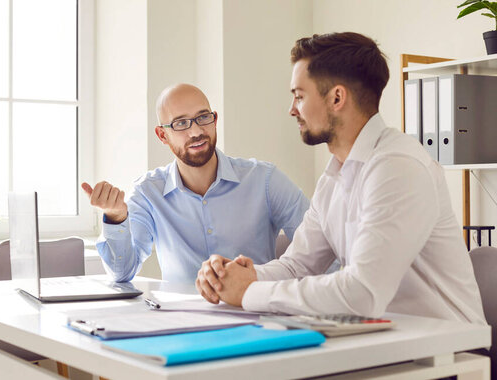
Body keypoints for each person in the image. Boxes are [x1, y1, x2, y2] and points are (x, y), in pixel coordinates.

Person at [195, 32, 486, 324]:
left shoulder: (397, 167)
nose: (292, 109)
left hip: (450, 353)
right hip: (383, 343)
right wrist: (237, 277)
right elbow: (298, 265)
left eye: (299, 96)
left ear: (336, 97)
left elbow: (362, 293)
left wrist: (249, 293)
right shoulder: (335, 176)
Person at [82, 84, 310, 283]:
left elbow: (321, 251)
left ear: (215, 120)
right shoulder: (147, 193)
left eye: (203, 117)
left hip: (256, 316)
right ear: (162, 136)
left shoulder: (265, 180)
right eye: (181, 123)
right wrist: (116, 217)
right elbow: (122, 274)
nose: (196, 131)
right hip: (181, 324)